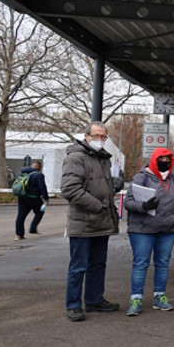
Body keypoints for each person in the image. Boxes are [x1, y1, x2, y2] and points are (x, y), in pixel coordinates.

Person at [61, 121, 124, 322]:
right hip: (83, 222)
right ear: (86, 136)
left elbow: (99, 186)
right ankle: (73, 305)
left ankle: (94, 300)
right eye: (96, 136)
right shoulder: (76, 158)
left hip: (102, 222)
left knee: (98, 264)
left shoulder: (103, 159)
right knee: (78, 267)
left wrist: (113, 186)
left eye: (103, 136)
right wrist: (97, 205)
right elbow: (70, 189)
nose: (99, 140)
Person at [123, 148, 174, 316]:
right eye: (161, 159)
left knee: (163, 263)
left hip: (167, 229)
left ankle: (160, 296)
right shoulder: (141, 177)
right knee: (141, 263)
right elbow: (128, 202)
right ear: (154, 160)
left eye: (168, 159)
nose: (165, 162)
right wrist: (143, 206)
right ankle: (136, 299)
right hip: (142, 230)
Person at [14, 160, 49, 240]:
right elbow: (42, 187)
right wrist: (45, 197)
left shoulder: (22, 174)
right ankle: (33, 228)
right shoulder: (38, 175)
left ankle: (19, 235)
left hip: (22, 197)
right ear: (38, 167)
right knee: (39, 212)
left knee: (21, 216)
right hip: (34, 198)